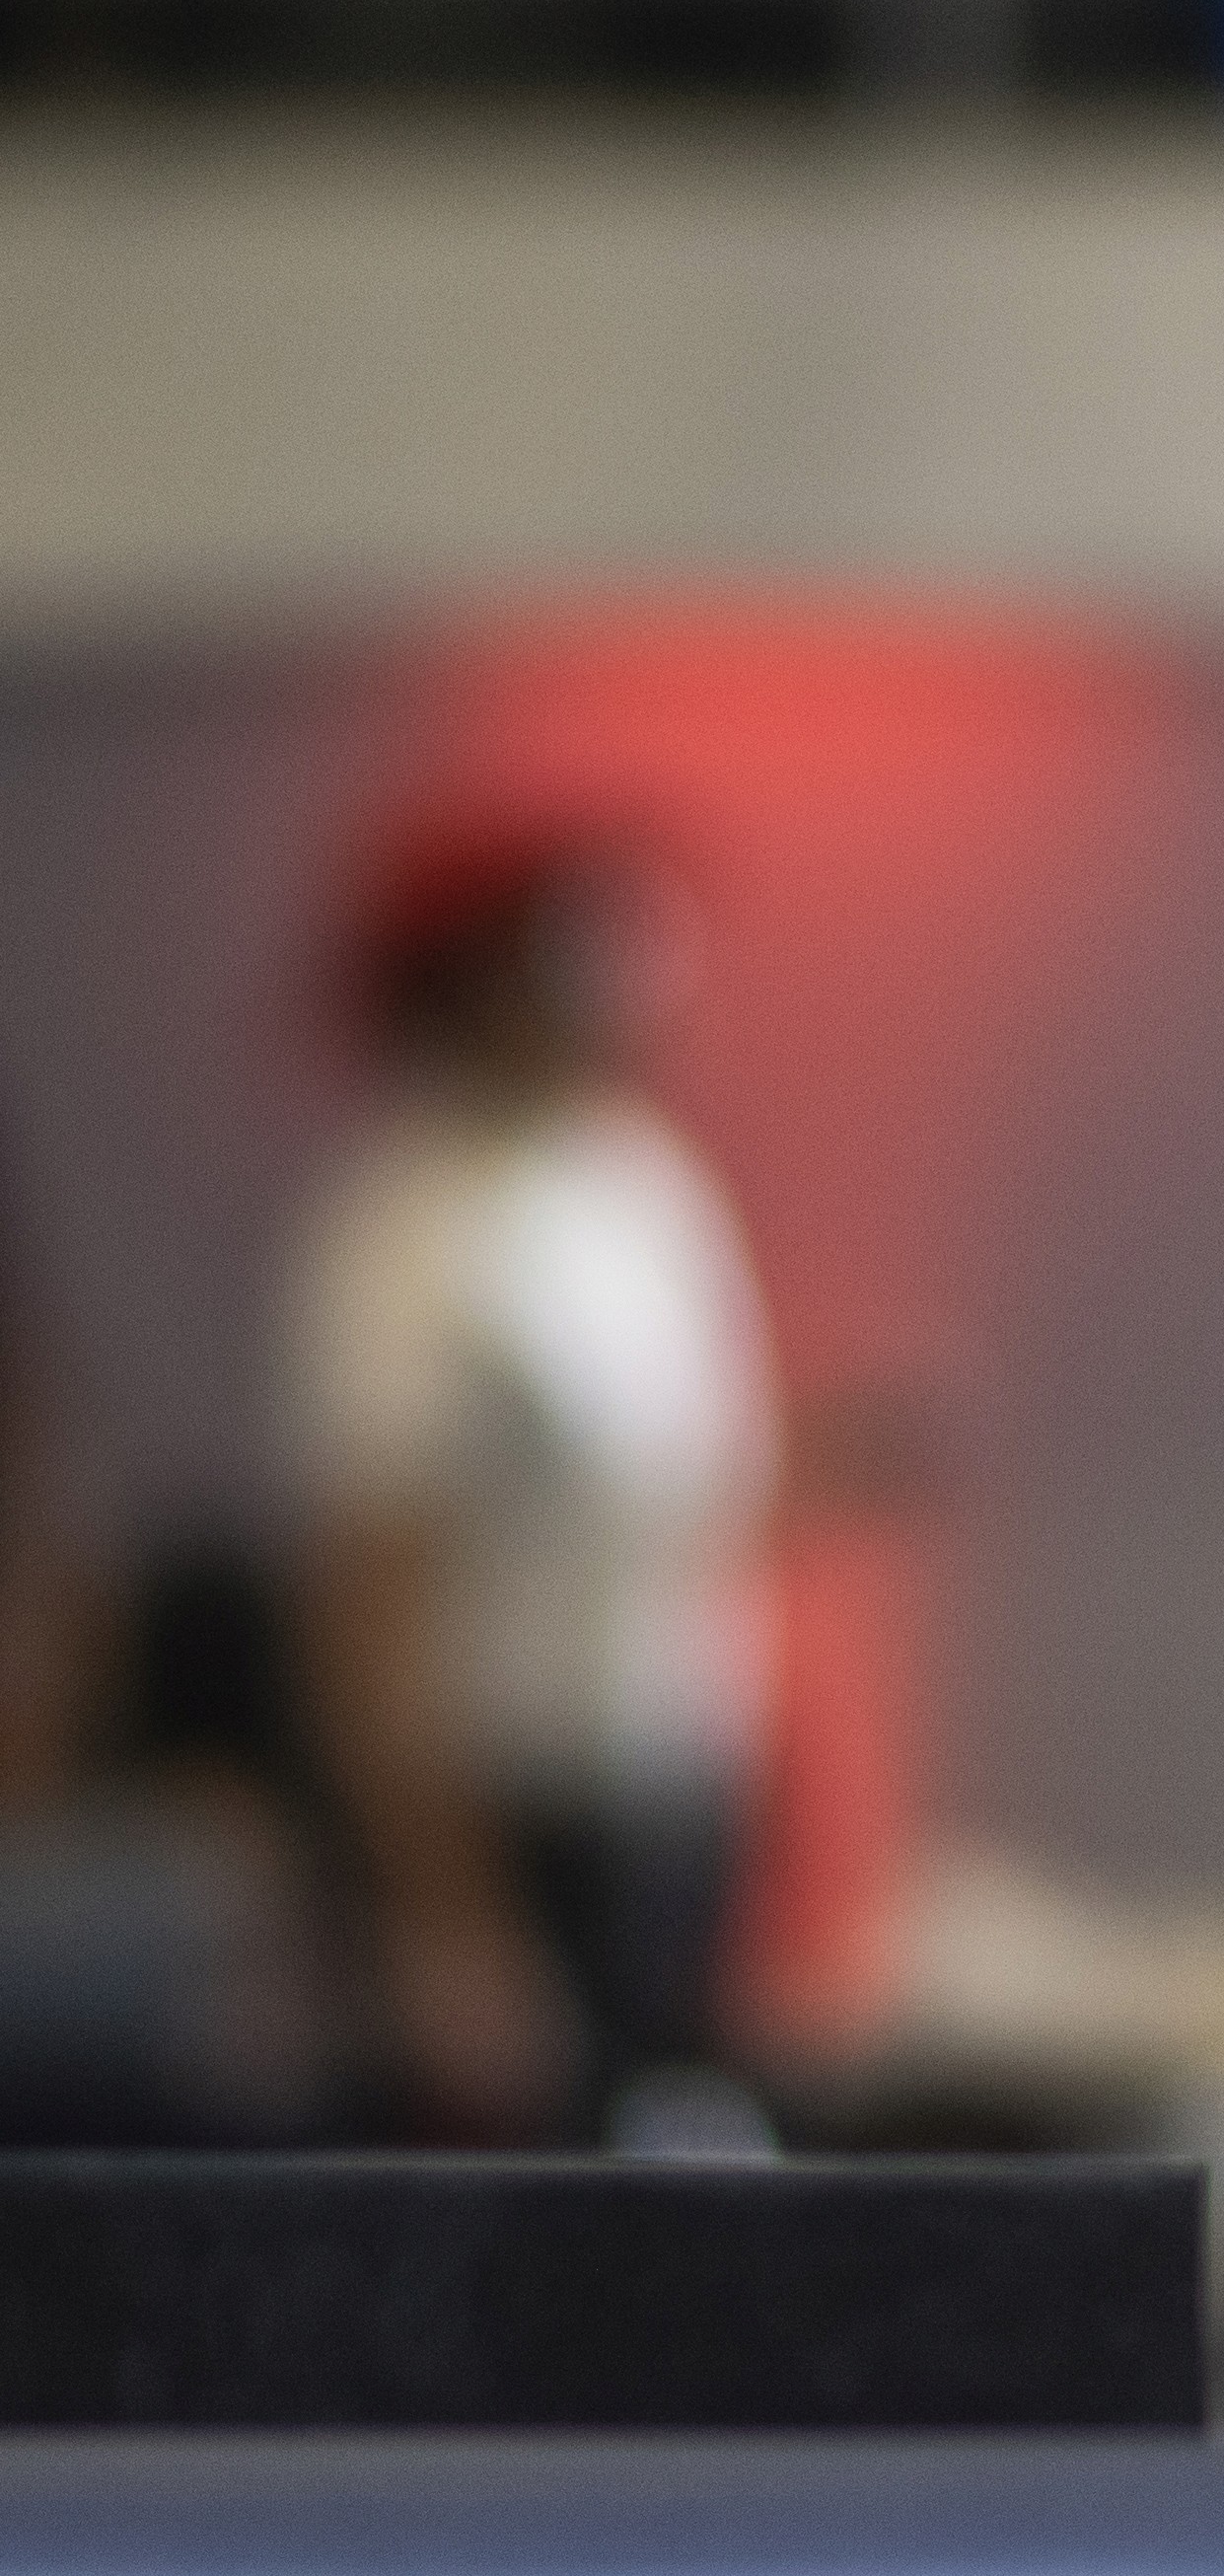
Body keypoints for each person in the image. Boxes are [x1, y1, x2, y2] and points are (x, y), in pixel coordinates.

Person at [287, 817, 778, 2144]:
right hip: (512, 1819)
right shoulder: (413, 1231)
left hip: (675, 1799)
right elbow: (373, 1598)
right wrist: (444, 1916)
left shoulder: (640, 1186)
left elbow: (683, 1498)